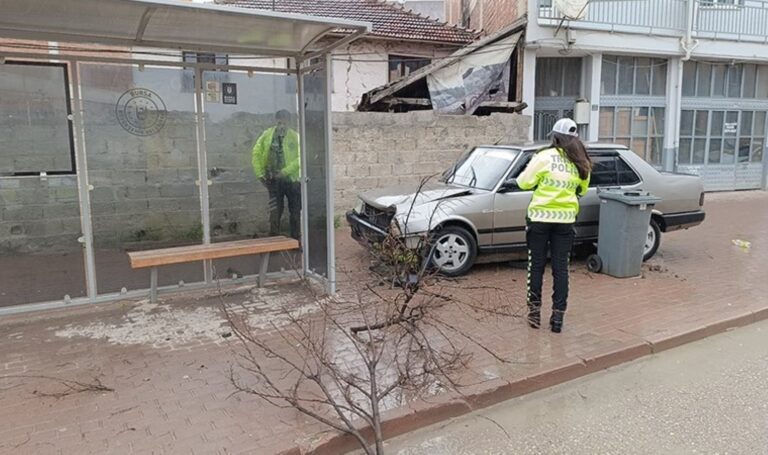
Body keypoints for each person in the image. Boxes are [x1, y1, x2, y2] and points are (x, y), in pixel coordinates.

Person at [516, 118, 591, 333]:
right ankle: (558, 318)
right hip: (565, 221)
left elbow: (523, 183)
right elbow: (583, 190)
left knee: (536, 265)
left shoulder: (543, 157)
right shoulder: (580, 160)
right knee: (561, 268)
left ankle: (534, 313)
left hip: (539, 219)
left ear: (555, 137)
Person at [251, 110, 301, 239]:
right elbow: (256, 152)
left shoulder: (295, 137)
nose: (282, 125)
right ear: (275, 121)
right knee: (275, 212)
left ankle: (296, 240)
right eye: (279, 122)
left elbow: (301, 158)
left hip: (292, 181)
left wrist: (285, 172)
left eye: (284, 123)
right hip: (273, 181)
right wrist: (260, 174)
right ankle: (273, 241)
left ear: (289, 122)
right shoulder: (267, 135)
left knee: (295, 212)